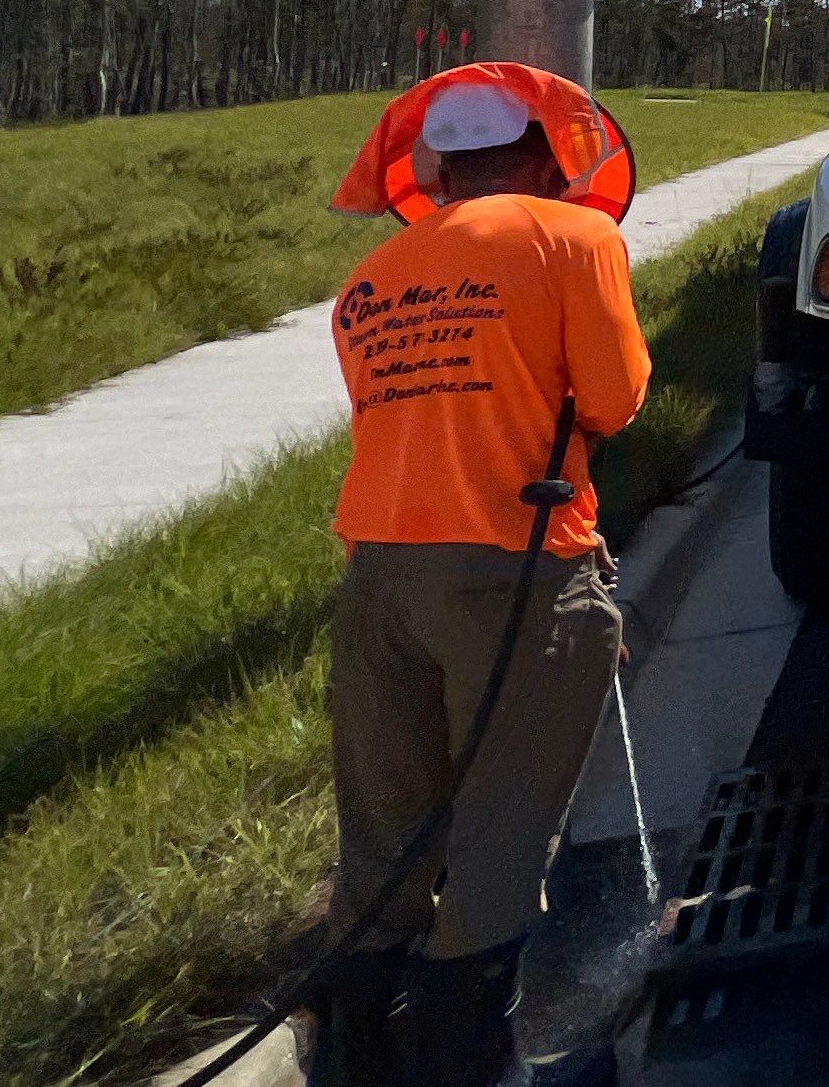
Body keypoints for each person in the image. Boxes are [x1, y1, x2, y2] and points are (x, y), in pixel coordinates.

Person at [314, 69, 647, 1086]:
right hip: (518, 572)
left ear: (437, 170)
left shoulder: (365, 286)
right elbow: (616, 397)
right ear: (548, 157)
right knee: (501, 825)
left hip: (377, 582)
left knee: (388, 831)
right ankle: (468, 1060)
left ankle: (356, 1057)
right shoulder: (574, 239)